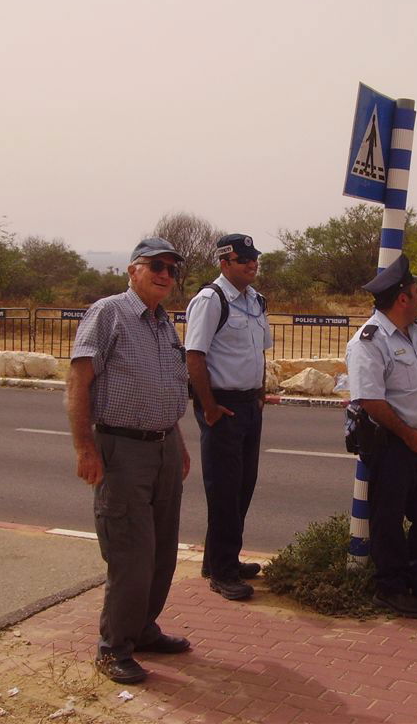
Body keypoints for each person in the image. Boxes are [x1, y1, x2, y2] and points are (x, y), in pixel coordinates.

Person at [66, 237, 192, 685]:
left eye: (171, 269)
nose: (164, 274)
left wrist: (176, 442)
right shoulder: (108, 313)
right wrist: (85, 447)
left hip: (163, 448)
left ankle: (143, 631)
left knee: (162, 552)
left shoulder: (162, 323)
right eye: (156, 265)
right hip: (122, 450)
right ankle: (112, 647)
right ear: (133, 270)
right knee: (131, 555)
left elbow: (167, 387)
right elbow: (79, 382)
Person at [345, 254, 417, 619]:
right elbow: (370, 399)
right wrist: (407, 435)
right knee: (387, 520)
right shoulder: (369, 341)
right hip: (391, 445)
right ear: (403, 298)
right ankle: (389, 588)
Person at [185, 233, 273, 601]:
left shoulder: (255, 301)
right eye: (243, 260)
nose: (251, 265)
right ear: (224, 263)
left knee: (242, 486)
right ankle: (222, 573)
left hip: (250, 405)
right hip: (223, 406)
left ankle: (222, 558)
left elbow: (259, 352)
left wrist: (261, 391)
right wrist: (208, 407)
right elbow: (194, 356)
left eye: (254, 259)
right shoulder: (210, 300)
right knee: (224, 489)